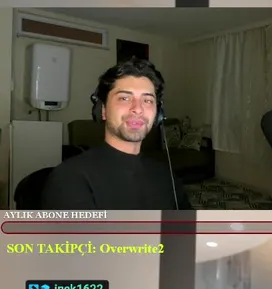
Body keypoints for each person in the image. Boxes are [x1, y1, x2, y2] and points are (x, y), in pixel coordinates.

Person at [41, 58, 191, 210]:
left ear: (158, 115)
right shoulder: (69, 178)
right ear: (103, 110)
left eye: (147, 100)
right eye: (124, 98)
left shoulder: (166, 176)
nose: (138, 109)